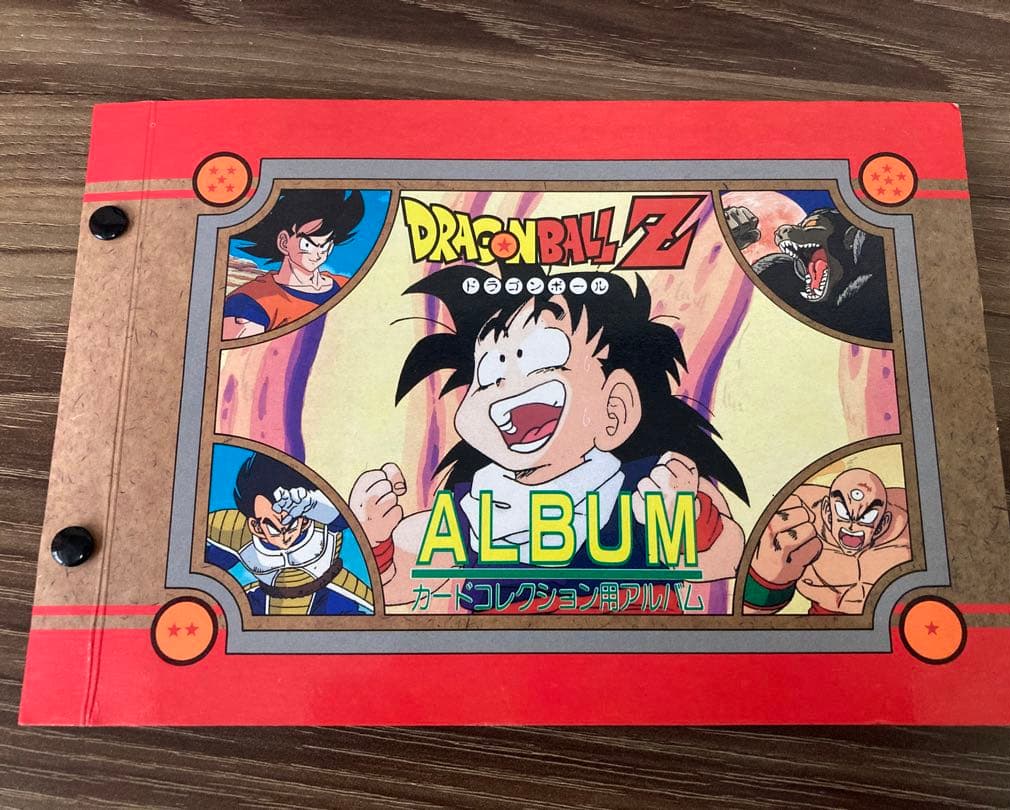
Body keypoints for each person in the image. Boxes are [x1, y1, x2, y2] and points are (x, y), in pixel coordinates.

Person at [349, 263, 748, 613]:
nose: (505, 383)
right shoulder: (470, 508)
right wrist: (375, 538)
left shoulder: (650, 486)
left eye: (541, 359)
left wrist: (685, 520)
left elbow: (728, 556)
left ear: (614, 408)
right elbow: (397, 583)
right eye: (488, 374)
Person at [206, 453, 376, 615]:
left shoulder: (321, 519)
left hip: (327, 597)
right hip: (266, 600)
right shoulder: (240, 537)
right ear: (256, 526)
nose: (284, 534)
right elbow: (207, 562)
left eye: (291, 523)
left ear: (305, 519)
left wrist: (317, 507)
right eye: (273, 527)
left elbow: (346, 517)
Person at [743, 467, 911, 615]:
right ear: (827, 511)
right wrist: (766, 578)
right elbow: (746, 618)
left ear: (883, 522)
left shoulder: (910, 516)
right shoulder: (793, 515)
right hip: (820, 630)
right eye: (843, 512)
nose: (852, 526)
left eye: (866, 517)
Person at [222, 189, 366, 338]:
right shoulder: (250, 301)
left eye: (325, 245)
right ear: (284, 242)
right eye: (307, 244)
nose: (318, 253)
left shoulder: (344, 285)